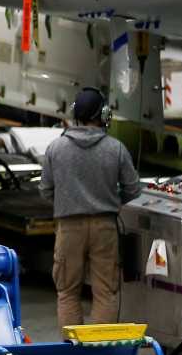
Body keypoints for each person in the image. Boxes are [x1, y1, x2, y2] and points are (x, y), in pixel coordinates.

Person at [40, 87, 141, 328]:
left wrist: (67, 201)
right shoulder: (115, 148)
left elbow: (45, 190)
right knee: (105, 292)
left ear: (75, 114)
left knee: (67, 292)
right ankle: (100, 354)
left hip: (68, 227)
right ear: (104, 114)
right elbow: (133, 189)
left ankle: (73, 353)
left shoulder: (56, 148)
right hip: (104, 227)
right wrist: (112, 200)